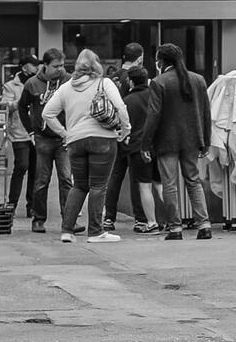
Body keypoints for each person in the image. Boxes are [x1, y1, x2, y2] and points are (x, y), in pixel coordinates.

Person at [42, 49, 131, 244]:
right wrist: (125, 130)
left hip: (75, 141)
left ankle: (67, 231)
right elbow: (120, 108)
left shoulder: (65, 88)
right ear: (97, 65)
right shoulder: (104, 83)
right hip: (103, 139)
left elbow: (47, 114)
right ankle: (96, 232)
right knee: (99, 186)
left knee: (79, 185)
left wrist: (64, 133)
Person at [152, 42, 213, 242]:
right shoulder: (198, 80)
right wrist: (206, 140)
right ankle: (204, 225)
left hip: (166, 140)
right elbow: (206, 113)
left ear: (161, 61)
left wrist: (145, 143)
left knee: (169, 184)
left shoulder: (159, 82)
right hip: (193, 139)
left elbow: (154, 116)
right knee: (193, 181)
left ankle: (175, 228)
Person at [104, 64, 163, 235]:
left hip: (133, 145)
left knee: (134, 182)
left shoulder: (127, 101)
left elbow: (119, 122)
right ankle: (169, 219)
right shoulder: (155, 96)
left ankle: (114, 218)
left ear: (130, 81)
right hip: (155, 146)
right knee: (159, 184)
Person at [21, 50, 70, 232]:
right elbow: (21, 106)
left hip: (64, 136)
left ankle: (69, 219)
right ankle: (38, 218)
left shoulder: (69, 81)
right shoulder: (33, 84)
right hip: (42, 137)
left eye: (62, 65)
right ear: (46, 65)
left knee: (67, 179)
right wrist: (30, 131)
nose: (60, 69)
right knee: (42, 179)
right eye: (56, 66)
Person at [2, 61, 39, 218]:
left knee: (35, 170)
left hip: (37, 132)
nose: (36, 68)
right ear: (24, 67)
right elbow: (4, 105)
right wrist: (22, 101)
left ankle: (32, 206)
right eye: (33, 65)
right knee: (21, 166)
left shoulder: (38, 82)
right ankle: (12, 204)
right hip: (19, 132)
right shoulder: (11, 86)